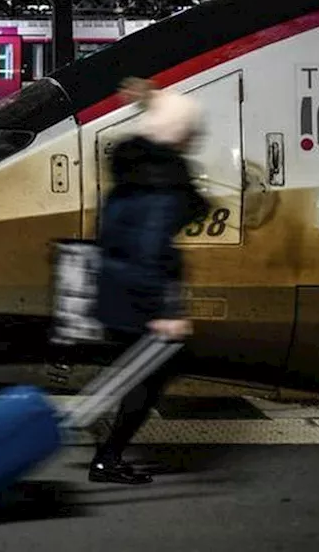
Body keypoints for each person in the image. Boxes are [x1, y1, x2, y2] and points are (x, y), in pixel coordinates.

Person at [87, 76, 210, 484]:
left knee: (141, 375)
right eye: (190, 132)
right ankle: (108, 458)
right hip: (141, 297)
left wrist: (149, 97)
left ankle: (107, 446)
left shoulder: (131, 178)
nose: (194, 138)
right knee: (151, 378)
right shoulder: (164, 186)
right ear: (178, 136)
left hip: (117, 289)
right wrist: (166, 311)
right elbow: (153, 249)